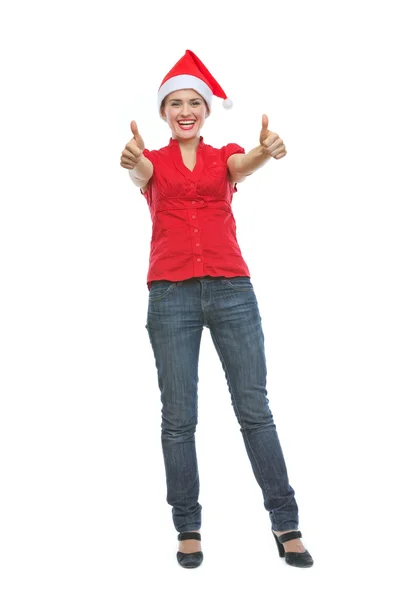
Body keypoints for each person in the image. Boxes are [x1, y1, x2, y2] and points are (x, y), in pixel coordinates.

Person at [120, 50, 314, 569]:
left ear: (205, 110)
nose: (185, 111)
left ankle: (285, 520)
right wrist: (132, 157)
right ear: (164, 112)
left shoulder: (224, 155)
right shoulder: (153, 161)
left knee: (255, 410)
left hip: (232, 292)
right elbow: (139, 172)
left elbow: (242, 166)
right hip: (171, 296)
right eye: (175, 104)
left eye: (194, 103)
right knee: (178, 419)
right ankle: (188, 526)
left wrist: (264, 151)